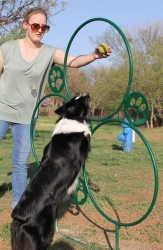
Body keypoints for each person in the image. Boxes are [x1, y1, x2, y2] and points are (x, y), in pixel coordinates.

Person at [0, 7, 112, 209]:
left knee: (19, 163)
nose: (39, 30)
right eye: (35, 25)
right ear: (25, 25)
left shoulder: (49, 52)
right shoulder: (7, 48)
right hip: (1, 110)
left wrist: (94, 56)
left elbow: (74, 61)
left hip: (27, 116)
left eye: (44, 27)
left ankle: (17, 204)